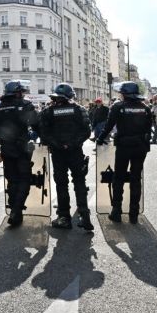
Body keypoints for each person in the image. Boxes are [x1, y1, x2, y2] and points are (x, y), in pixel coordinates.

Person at [39, 83, 93, 231]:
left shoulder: (47, 111)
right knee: (80, 182)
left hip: (58, 154)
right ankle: (84, 214)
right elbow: (87, 131)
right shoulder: (79, 110)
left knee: (61, 184)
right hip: (75, 152)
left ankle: (64, 217)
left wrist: (58, 145)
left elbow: (44, 134)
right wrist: (72, 144)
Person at [96, 81, 152, 224]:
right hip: (140, 147)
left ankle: (116, 211)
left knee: (119, 178)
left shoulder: (118, 107)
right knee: (135, 178)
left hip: (123, 146)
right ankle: (134, 213)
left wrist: (100, 139)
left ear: (124, 93)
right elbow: (148, 129)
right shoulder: (145, 108)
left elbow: (108, 126)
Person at [0, 81, 39, 227]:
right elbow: (37, 124)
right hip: (22, 149)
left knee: (12, 180)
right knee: (24, 179)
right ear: (17, 93)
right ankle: (16, 210)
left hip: (7, 149)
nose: (23, 94)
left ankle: (13, 209)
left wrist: (4, 139)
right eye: (21, 92)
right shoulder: (25, 105)